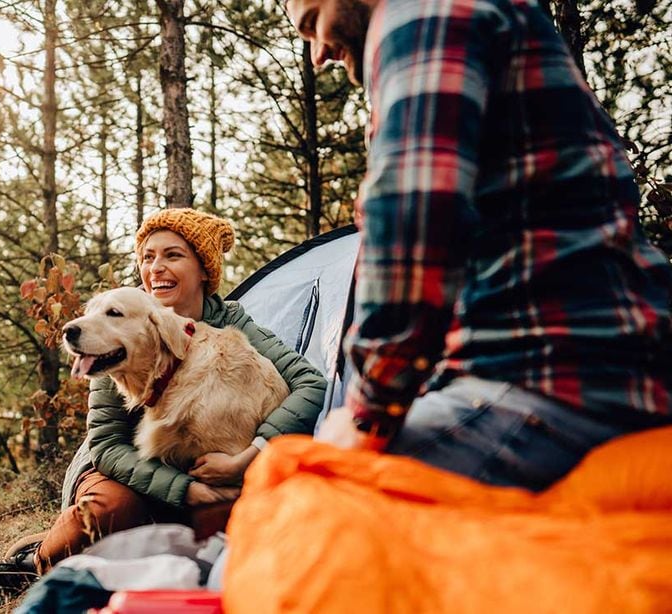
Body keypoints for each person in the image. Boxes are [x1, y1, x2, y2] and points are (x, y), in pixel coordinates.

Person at [286, 0, 672, 488]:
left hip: (550, 381)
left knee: (298, 498)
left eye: (311, 22)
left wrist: (368, 413)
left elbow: (415, 212)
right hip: (590, 370)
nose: (317, 53)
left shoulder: (423, 9)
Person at [0, 208, 328, 610]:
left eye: (173, 255)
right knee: (112, 510)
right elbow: (107, 444)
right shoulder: (116, 327)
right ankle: (36, 563)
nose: (157, 268)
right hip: (129, 471)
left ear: (203, 269)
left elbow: (311, 385)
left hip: (212, 470)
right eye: (148, 257)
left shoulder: (233, 324)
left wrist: (249, 456)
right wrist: (184, 491)